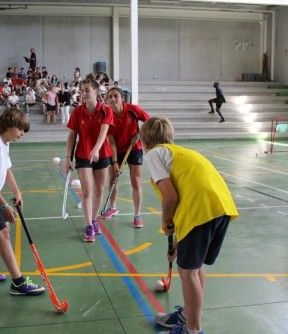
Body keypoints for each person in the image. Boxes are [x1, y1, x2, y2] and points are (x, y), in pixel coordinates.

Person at [139, 117, 238, 334]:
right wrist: (177, 241)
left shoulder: (154, 154)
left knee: (188, 273)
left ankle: (192, 330)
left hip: (200, 211)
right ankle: (187, 316)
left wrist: (166, 222)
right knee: (196, 267)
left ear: (145, 141)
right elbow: (187, 192)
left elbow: (170, 197)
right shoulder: (180, 153)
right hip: (221, 208)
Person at [0, 107, 46, 295]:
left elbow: (8, 169)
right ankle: (18, 283)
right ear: (8, 125)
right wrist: (4, 205)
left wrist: (17, 191)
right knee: (3, 233)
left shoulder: (4, 143)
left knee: (3, 230)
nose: (22, 133)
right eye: (20, 129)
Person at [64, 77, 113, 242]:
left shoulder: (106, 110)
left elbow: (104, 131)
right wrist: (67, 158)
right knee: (87, 191)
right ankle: (89, 226)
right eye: (82, 90)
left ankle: (94, 219)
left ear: (96, 92)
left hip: (103, 154)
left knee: (99, 191)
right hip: (83, 155)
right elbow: (71, 135)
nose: (83, 93)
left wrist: (97, 149)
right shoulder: (77, 112)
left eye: (87, 90)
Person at [102, 87, 150, 228]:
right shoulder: (108, 115)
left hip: (134, 148)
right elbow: (111, 141)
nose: (112, 99)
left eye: (115, 96)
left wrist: (139, 135)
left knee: (135, 181)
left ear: (122, 98)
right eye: (109, 96)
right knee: (113, 179)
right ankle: (112, 207)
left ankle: (137, 214)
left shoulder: (133, 110)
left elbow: (149, 122)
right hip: (117, 149)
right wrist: (115, 162)